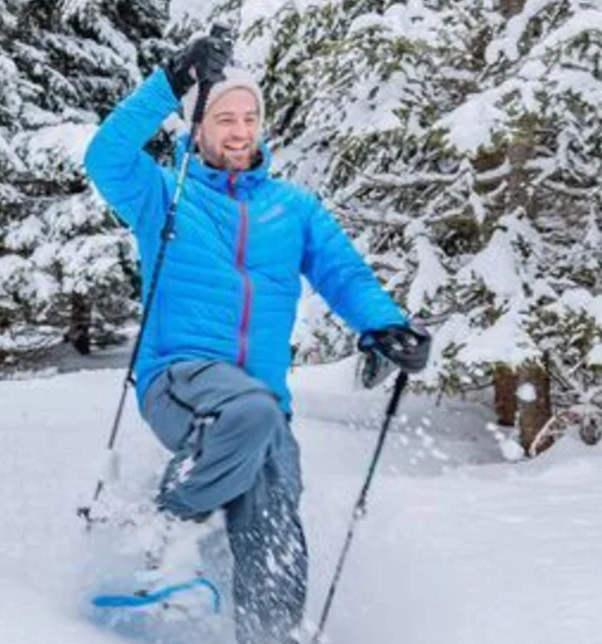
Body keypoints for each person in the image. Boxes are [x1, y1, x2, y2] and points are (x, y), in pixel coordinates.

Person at [82, 34, 431, 643]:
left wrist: (386, 326)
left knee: (274, 507)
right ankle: (158, 538)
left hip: (266, 402)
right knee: (246, 412)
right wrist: (169, 82)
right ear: (198, 126)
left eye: (249, 118)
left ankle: (269, 633)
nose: (240, 130)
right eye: (224, 118)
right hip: (180, 377)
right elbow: (104, 157)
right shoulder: (165, 192)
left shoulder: (292, 208)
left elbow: (343, 274)